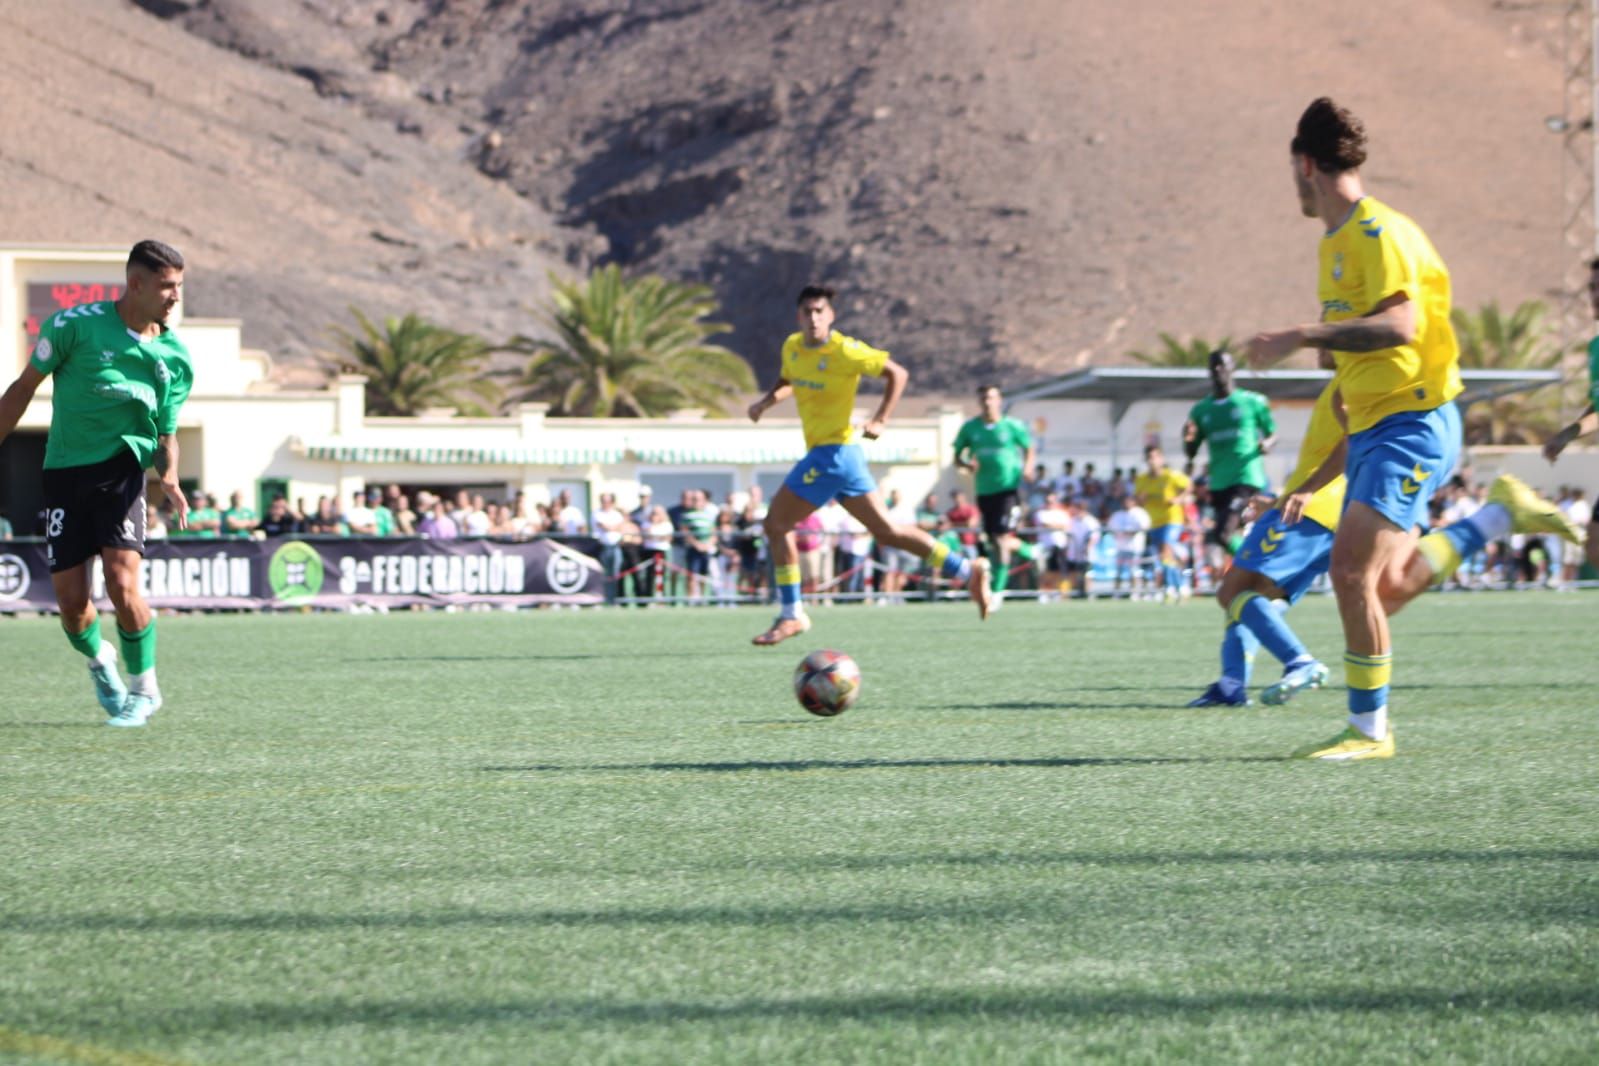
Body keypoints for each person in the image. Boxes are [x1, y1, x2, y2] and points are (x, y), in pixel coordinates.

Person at [1242, 97, 1580, 760]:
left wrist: (1302, 334)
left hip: (1412, 421)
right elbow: (1360, 338)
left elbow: (1401, 326)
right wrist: (1331, 362)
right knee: (1384, 588)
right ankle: (1494, 519)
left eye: (1292, 172)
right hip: (1373, 427)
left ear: (1305, 165)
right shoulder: (1334, 243)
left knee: (1347, 574)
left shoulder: (1379, 233)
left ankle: (1369, 733)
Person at [0, 239, 193, 726]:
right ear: (136, 284)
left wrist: (168, 475)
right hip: (64, 473)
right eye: (167, 286)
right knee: (70, 605)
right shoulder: (74, 327)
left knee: (122, 582)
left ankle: (144, 689)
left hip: (122, 472)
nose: (175, 296)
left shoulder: (174, 357)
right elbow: (23, 388)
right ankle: (98, 659)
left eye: (179, 287)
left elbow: (166, 433)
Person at [747, 284, 990, 644]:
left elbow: (898, 373)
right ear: (799, 317)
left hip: (832, 454)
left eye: (820, 311)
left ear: (831, 316)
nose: (814, 318)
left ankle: (791, 613)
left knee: (776, 524)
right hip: (844, 457)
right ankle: (966, 570)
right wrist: (767, 402)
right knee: (888, 532)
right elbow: (789, 380)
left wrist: (881, 420)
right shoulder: (792, 347)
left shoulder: (845, 349)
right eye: (808, 312)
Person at [1188, 355, 1345, 708]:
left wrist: (1298, 495)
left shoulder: (1348, 384)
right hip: (1329, 514)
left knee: (1232, 591)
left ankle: (1299, 662)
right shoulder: (1361, 384)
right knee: (1257, 600)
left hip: (1308, 509)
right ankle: (1231, 685)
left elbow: (1351, 444)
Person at [1183, 349, 1276, 572]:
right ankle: (1258, 565)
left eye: (1222, 365)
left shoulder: (1252, 402)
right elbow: (1191, 451)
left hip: (1246, 476)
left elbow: (1272, 433)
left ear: (1232, 368)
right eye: (1213, 366)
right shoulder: (1201, 410)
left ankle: (1261, 569)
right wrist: (1187, 439)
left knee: (1222, 533)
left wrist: (1267, 444)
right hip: (1218, 482)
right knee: (1223, 536)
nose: (1218, 370)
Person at [952, 383, 1035, 608]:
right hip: (984, 490)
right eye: (983, 398)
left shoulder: (1012, 426)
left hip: (1008, 489)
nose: (987, 402)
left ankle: (997, 591)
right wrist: (966, 464)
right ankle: (1030, 551)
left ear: (999, 400)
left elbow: (1028, 448)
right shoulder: (971, 428)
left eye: (991, 397)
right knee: (992, 540)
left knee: (1000, 539)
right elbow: (957, 455)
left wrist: (1027, 468)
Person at [1542, 254, 1599, 572]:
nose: (1594, 294)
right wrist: (1568, 434)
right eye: (1592, 287)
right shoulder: (1596, 348)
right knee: (1594, 546)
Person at [1134, 444, 1191, 602]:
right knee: (1165, 557)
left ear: (1161, 459)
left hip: (1172, 519)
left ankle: (1172, 588)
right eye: (1149, 458)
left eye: (1155, 457)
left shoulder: (1170, 475)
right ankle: (1178, 587)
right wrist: (1141, 499)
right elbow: (1138, 500)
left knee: (1166, 550)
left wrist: (1179, 499)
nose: (1152, 461)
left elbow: (1188, 485)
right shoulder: (1142, 479)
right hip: (1154, 522)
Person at [1105, 494, 1151, 598]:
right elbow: (1111, 528)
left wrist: (1132, 532)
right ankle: (1117, 593)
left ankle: (1134, 592)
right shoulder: (1117, 515)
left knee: (1134, 570)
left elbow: (1145, 526)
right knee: (1118, 570)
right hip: (1120, 546)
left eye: (1129, 501)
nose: (1126, 503)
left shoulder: (1139, 513)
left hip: (1135, 547)